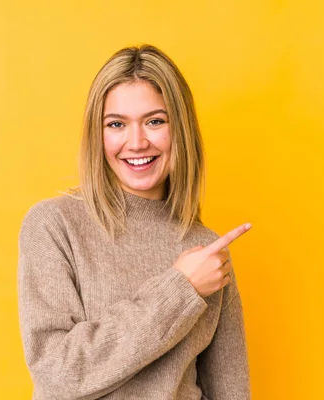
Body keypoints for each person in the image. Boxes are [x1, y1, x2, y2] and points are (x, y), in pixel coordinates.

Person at [17, 44, 252, 399]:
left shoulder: (206, 250)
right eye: (116, 124)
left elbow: (231, 391)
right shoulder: (55, 226)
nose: (137, 142)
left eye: (155, 121)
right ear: (98, 134)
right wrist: (180, 290)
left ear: (181, 130)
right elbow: (58, 374)